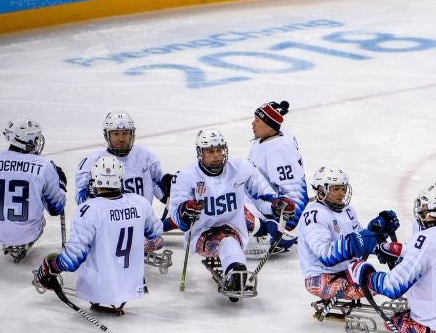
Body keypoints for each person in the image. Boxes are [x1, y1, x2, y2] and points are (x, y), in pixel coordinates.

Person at [169, 129, 293, 296]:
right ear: (200, 153)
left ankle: (236, 273)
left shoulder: (242, 168)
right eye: (210, 151)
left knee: (230, 239)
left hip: (234, 228)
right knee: (226, 241)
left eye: (219, 150)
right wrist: (185, 211)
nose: (216, 155)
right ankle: (235, 272)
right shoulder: (185, 176)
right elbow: (177, 213)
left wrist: (277, 205)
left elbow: (263, 196)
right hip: (201, 234)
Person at [33, 155, 161, 314]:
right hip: (132, 287)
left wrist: (50, 266)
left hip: (98, 290)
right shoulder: (140, 202)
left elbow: (72, 261)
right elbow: (157, 237)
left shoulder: (88, 210)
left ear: (95, 180)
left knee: (53, 258)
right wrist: (144, 247)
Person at [347, 184, 436, 333]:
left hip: (434, 320)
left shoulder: (426, 240)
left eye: (424, 205)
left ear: (432, 209)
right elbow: (430, 253)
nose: (420, 208)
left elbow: (393, 287)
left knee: (390, 322)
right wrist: (390, 248)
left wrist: (364, 273)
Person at [73, 111, 172, 265]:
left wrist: (169, 188)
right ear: (107, 135)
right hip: (107, 228)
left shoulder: (146, 156)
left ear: (132, 134)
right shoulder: (91, 162)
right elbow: (81, 201)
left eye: (125, 133)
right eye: (116, 134)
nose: (121, 139)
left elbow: (158, 186)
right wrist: (90, 193)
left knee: (156, 240)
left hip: (138, 226)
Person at [298, 165, 398, 304]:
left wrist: (378, 231)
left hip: (348, 271)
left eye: (344, 188)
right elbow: (325, 255)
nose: (342, 193)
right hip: (320, 278)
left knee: (385, 280)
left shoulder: (348, 210)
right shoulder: (314, 215)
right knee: (373, 284)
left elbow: (360, 238)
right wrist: (360, 242)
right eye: (336, 189)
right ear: (321, 190)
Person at [0, 117, 66, 262]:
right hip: (27, 233)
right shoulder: (44, 165)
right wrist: (61, 182)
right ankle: (21, 243)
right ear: (28, 141)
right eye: (36, 138)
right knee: (40, 206)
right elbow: (55, 209)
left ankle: (9, 239)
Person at [244, 100, 308, 253]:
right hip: (259, 197)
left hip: (270, 210)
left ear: (269, 125)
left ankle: (264, 228)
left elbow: (295, 192)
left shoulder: (277, 151)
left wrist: (282, 227)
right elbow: (274, 121)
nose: (252, 124)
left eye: (257, 120)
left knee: (226, 203)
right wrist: (276, 111)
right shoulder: (275, 135)